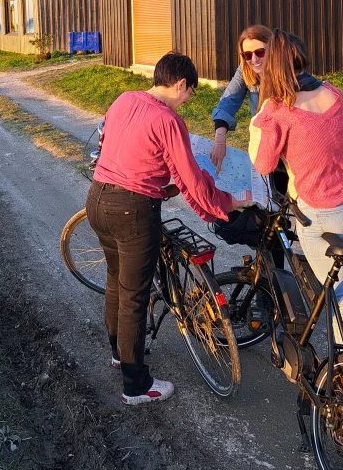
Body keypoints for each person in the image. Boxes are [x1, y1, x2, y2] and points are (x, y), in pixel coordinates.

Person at [86, 52, 245, 406]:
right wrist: (227, 204)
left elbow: (110, 143)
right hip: (133, 212)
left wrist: (161, 183)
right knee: (133, 296)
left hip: (97, 198)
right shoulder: (169, 121)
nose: (187, 101)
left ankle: (118, 352)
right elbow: (193, 182)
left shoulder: (125, 99)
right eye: (189, 93)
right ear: (180, 84)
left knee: (116, 280)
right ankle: (136, 385)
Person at [249, 30, 343, 354]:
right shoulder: (333, 93)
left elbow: (262, 164)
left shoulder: (278, 110)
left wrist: (261, 116)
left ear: (273, 66)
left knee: (339, 299)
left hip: (324, 213)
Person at [209, 25, 272, 175]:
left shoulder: (289, 71)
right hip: (263, 144)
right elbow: (227, 102)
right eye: (247, 55)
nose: (254, 60)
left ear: (273, 48)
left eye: (260, 52)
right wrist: (219, 139)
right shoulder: (245, 69)